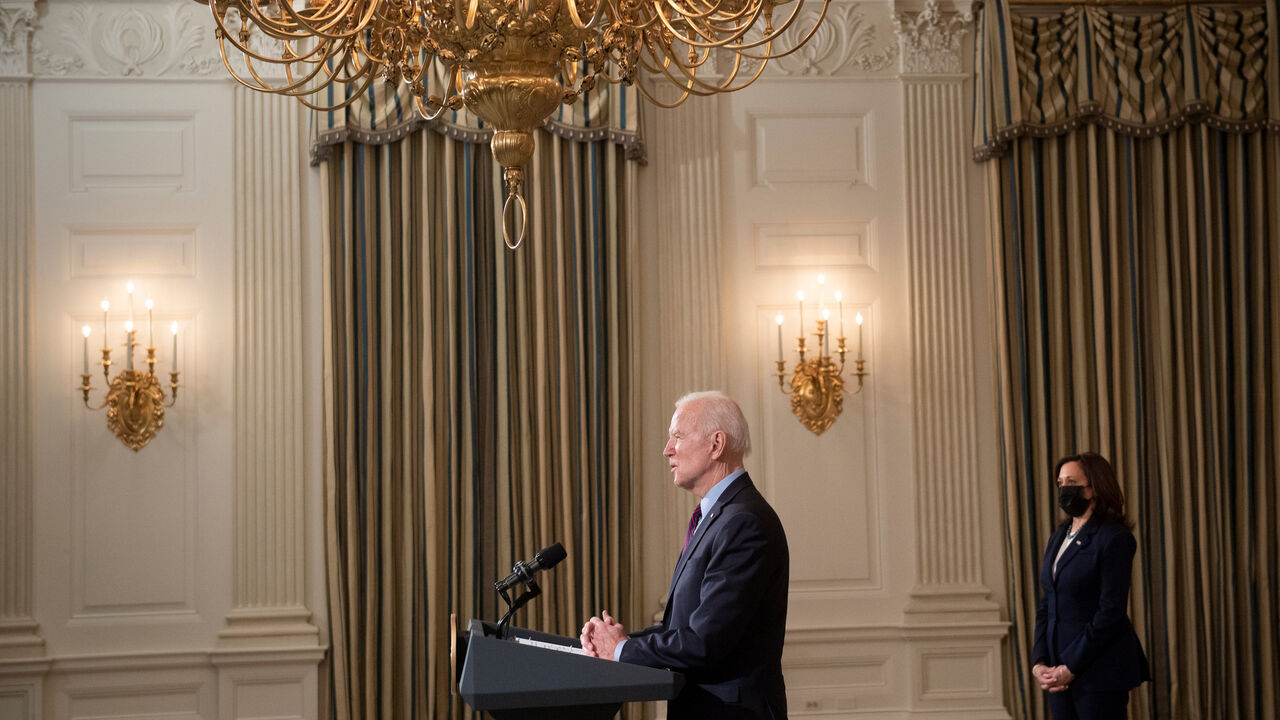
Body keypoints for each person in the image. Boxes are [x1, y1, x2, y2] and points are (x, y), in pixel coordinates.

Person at [579, 391, 790, 720]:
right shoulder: (720, 516)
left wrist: (621, 649)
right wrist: (616, 640)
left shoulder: (744, 522)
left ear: (716, 444)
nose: (667, 450)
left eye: (677, 436)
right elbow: (683, 627)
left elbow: (705, 642)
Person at [1032, 452, 1150, 720]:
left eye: (1071, 482)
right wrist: (1040, 661)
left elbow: (1110, 612)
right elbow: (1047, 603)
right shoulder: (1058, 537)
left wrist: (1071, 666)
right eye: (1060, 483)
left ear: (1094, 487)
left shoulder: (1114, 538)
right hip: (1057, 670)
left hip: (1099, 671)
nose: (1064, 489)